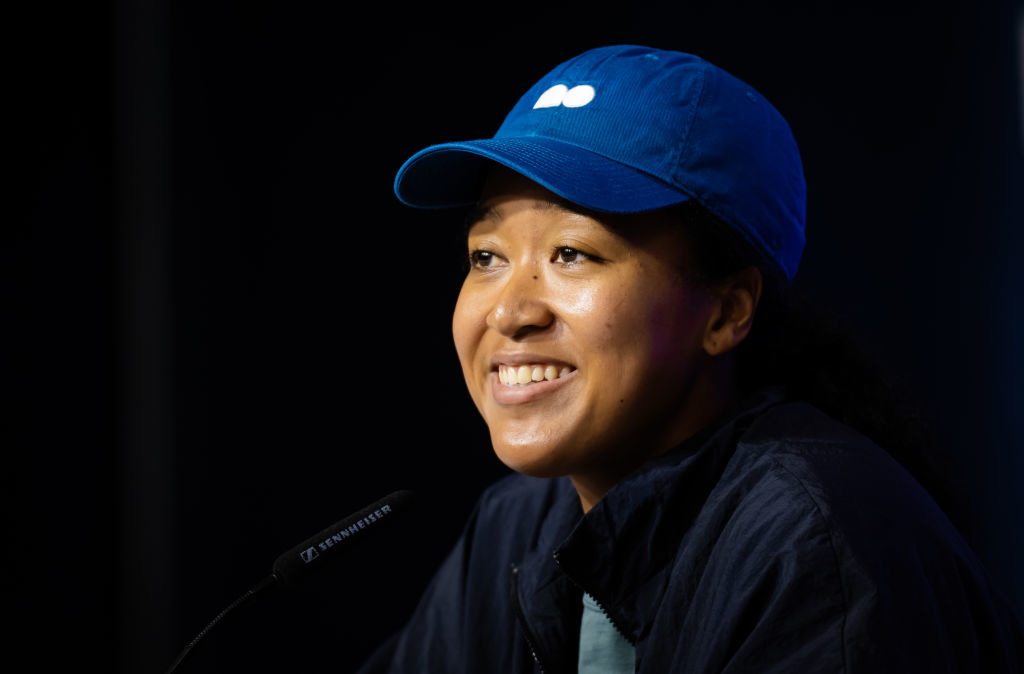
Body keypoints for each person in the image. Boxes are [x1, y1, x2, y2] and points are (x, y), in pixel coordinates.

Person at [358, 45, 1023, 673]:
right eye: (486, 257)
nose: (508, 311)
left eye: (572, 254)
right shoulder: (516, 526)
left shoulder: (816, 548)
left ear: (727, 311)